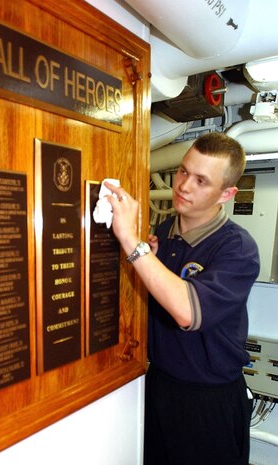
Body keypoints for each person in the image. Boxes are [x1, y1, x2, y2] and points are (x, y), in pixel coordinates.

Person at [105, 132, 260, 465]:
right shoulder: (162, 234)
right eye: (183, 171)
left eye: (202, 180)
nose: (184, 185)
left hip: (208, 401)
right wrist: (146, 259)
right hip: (159, 385)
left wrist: (131, 242)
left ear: (227, 193)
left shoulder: (238, 248)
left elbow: (188, 312)